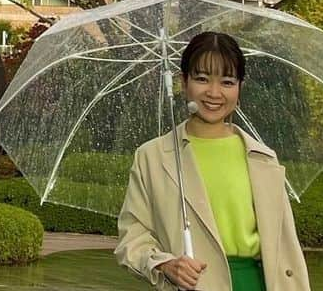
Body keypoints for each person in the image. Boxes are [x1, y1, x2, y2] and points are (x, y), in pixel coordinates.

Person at [115, 31, 311, 291]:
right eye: (202, 79)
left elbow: (286, 246)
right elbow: (132, 237)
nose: (214, 92)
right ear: (184, 82)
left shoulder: (263, 158)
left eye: (227, 81)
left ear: (240, 87)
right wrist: (164, 264)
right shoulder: (152, 156)